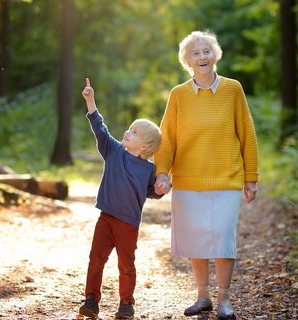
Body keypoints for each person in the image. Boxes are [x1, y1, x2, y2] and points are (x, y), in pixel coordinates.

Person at [153, 31, 259, 319]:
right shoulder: (178, 95)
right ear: (187, 61)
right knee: (196, 240)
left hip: (226, 179)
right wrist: (162, 173)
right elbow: (168, 138)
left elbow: (247, 134)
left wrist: (251, 176)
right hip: (187, 181)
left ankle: (224, 299)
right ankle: (203, 296)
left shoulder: (233, 89)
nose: (202, 57)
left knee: (223, 238)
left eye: (206, 51)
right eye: (195, 53)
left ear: (216, 55)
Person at [78, 77, 164, 319]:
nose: (128, 132)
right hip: (106, 218)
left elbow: (149, 191)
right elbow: (100, 129)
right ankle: (91, 300)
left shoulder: (149, 169)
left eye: (134, 132)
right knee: (96, 259)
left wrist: (158, 189)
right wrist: (90, 101)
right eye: (130, 128)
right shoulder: (113, 150)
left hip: (128, 224)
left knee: (126, 265)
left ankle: (126, 304)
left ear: (145, 147)